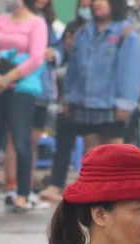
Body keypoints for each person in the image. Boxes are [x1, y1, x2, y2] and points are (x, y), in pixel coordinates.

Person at [0, 0, 46, 213]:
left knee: (21, 141)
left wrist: (7, 78)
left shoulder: (37, 23)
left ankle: (23, 194)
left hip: (22, 88)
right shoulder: (0, 21)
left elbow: (37, 58)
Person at [60, 0, 140, 149]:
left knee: (113, 155)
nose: (97, 3)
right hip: (84, 101)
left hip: (111, 104)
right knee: (91, 155)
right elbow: (72, 68)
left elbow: (131, 73)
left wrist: (125, 104)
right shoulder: (82, 32)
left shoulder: (127, 34)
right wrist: (67, 98)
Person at [34, 0, 90, 204]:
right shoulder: (73, 27)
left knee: (94, 145)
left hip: (95, 96)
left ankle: (91, 185)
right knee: (63, 140)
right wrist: (63, 49)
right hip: (72, 93)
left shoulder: (104, 30)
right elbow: (61, 55)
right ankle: (55, 185)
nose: (86, 6)